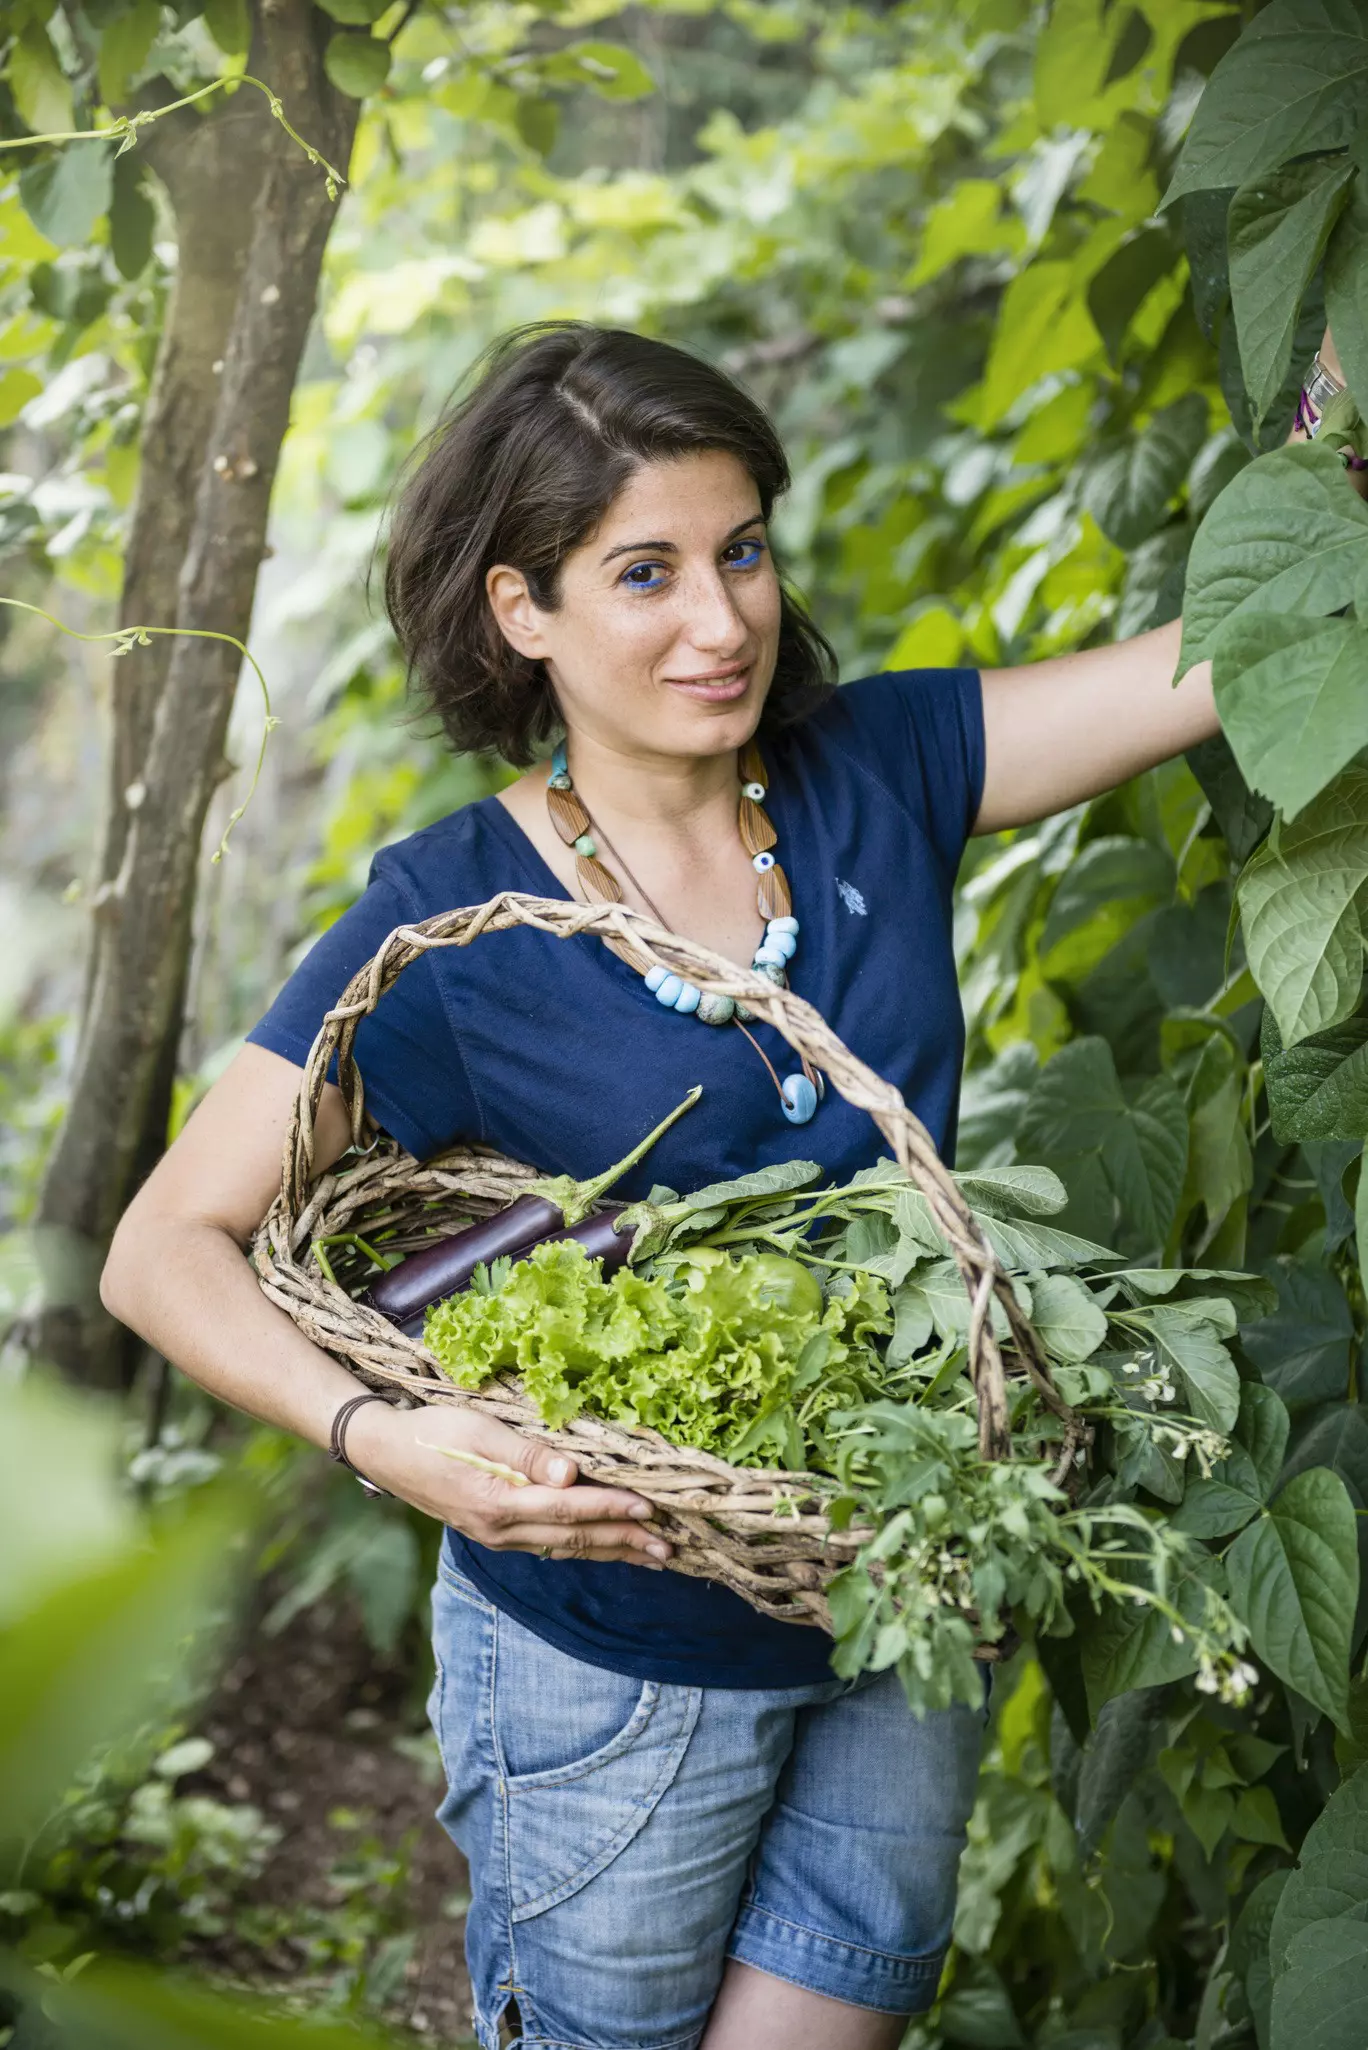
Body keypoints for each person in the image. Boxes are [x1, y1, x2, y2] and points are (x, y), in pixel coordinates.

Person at [101, 320, 1355, 2050]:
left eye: (743, 549)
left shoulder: (884, 770)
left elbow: (1231, 655)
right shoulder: (451, 929)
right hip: (609, 1666)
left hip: (904, 1596)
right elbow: (163, 1245)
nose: (722, 619)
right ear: (518, 611)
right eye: (645, 573)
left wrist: (1335, 447)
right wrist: (376, 1435)